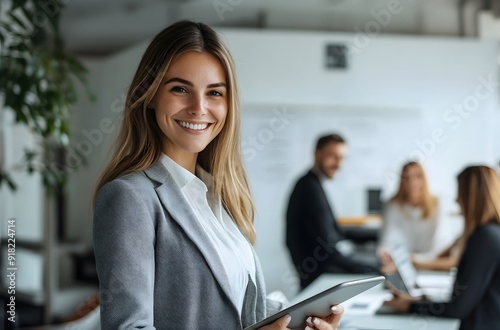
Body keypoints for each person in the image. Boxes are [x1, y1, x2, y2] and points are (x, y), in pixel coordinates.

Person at [92, 20, 344, 330]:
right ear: (151, 94)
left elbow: (234, 306)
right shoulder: (129, 198)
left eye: (214, 93)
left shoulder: (217, 195)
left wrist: (306, 319)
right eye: (180, 89)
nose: (199, 108)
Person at [384, 165, 500, 330]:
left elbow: (457, 308)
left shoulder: (485, 239)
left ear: (471, 196)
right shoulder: (492, 233)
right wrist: (417, 301)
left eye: (460, 192)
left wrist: (408, 307)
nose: (457, 200)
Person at [286, 134, 379, 290]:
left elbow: (335, 231)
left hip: (319, 275)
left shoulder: (312, 184)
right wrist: (374, 268)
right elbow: (328, 247)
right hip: (319, 281)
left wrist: (375, 235)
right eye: (332, 156)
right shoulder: (309, 189)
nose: (338, 164)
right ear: (317, 154)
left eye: (342, 158)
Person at [378, 161, 461, 272]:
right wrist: (385, 253)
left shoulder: (437, 204)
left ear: (424, 179)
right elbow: (386, 240)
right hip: (403, 264)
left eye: (417, 176)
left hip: (431, 263)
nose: (412, 182)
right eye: (407, 178)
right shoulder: (393, 205)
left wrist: (414, 260)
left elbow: (439, 246)